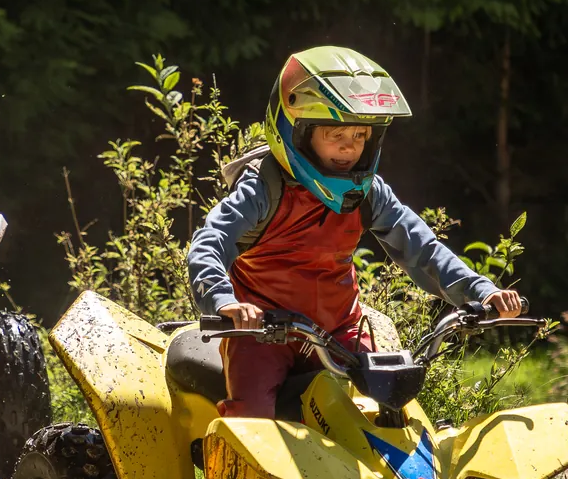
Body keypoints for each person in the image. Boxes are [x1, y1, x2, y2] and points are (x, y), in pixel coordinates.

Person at [187, 45, 521, 418]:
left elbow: (423, 249)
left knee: (391, 416)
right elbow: (209, 242)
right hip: (263, 335)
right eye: (336, 134)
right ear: (297, 132)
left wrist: (482, 291)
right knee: (252, 422)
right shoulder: (262, 189)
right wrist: (224, 301)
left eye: (360, 135)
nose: (349, 148)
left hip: (340, 334)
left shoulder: (368, 193)